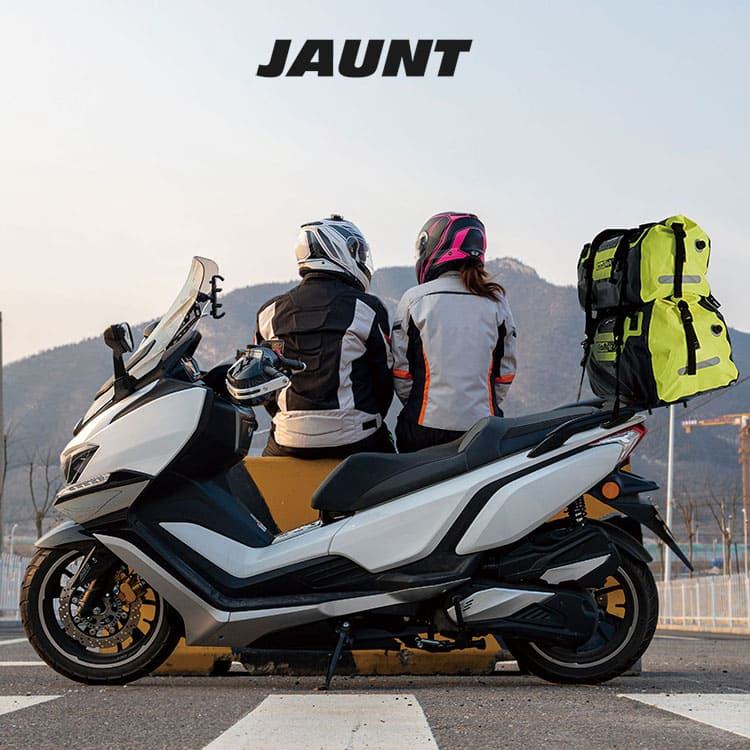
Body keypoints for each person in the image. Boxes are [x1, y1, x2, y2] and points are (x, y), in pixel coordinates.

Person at [255, 214, 395, 458]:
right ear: (338, 250)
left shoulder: (269, 312)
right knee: (396, 469)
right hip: (355, 437)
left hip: (288, 439)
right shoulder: (367, 308)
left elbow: (264, 383)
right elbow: (383, 381)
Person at [392, 212, 517, 453]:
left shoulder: (414, 299)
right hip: (483, 428)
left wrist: (420, 402)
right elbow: (505, 374)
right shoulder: (497, 301)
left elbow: (401, 374)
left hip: (423, 428)